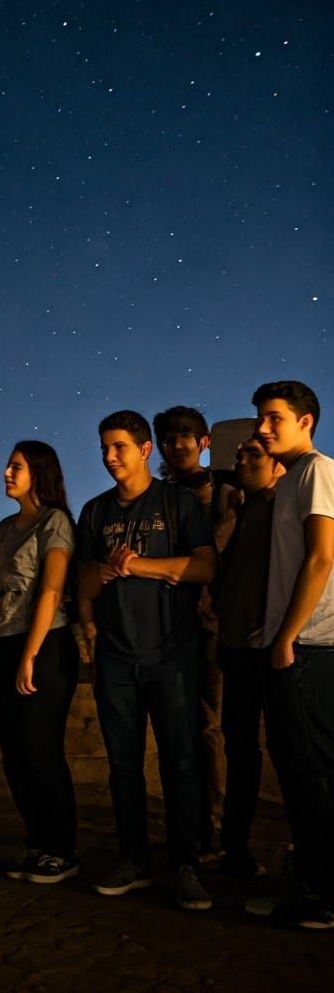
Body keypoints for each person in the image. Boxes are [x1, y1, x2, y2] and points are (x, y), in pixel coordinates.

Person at [75, 411, 215, 910]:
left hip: (172, 655)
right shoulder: (94, 513)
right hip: (116, 660)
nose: (110, 457)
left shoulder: (176, 502)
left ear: (143, 450)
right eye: (104, 448)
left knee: (180, 761)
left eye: (119, 447)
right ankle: (133, 860)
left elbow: (203, 565)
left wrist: (142, 566)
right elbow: (84, 585)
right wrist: (108, 573)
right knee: (123, 765)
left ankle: (186, 865)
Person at [0, 441, 80, 883]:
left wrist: (29, 655)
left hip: (44, 643)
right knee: (14, 754)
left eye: (15, 466)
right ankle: (37, 843)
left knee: (40, 750)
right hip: (3, 643)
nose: (6, 472)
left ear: (38, 473)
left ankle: (62, 849)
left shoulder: (54, 522)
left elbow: (50, 590)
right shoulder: (3, 527)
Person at [251, 380, 334, 930]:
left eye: (274, 418)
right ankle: (313, 879)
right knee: (300, 769)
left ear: (305, 421)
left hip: (309, 646)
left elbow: (322, 558)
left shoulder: (316, 470)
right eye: (260, 418)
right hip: (293, 644)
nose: (262, 428)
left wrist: (285, 637)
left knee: (312, 773)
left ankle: (320, 896)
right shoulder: (290, 482)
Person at [152, 406, 232, 861]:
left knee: (210, 728)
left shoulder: (226, 490)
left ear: (203, 442)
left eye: (186, 436)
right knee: (172, 729)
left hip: (213, 625)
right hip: (165, 625)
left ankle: (215, 830)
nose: (177, 444)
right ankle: (187, 826)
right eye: (168, 438)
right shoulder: (156, 497)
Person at [208, 436, 282, 879]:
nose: (242, 460)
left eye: (254, 454)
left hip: (271, 645)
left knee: (291, 751)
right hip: (235, 646)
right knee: (240, 751)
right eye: (239, 454)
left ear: (278, 466)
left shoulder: (283, 508)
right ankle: (235, 847)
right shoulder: (240, 510)